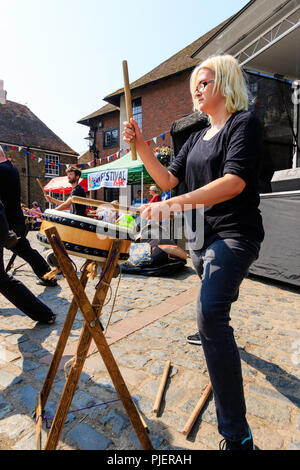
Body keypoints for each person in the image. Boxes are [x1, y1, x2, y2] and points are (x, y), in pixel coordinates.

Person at [123, 54, 264, 450]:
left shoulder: (243, 124)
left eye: (203, 82)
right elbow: (167, 179)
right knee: (212, 301)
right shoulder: (197, 135)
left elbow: (234, 183)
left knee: (210, 315)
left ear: (225, 83)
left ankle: (238, 437)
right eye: (194, 86)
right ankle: (213, 327)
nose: (196, 90)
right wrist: (140, 145)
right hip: (201, 240)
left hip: (235, 235)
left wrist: (172, 205)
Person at [0, 146, 57, 287]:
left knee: (26, 251)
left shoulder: (1, 170)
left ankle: (47, 277)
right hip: (15, 219)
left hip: (7, 222)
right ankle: (48, 276)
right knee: (26, 251)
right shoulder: (11, 168)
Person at [0, 196, 56, 324]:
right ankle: (49, 280)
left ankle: (44, 313)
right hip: (10, 222)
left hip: (10, 224)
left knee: (2, 279)